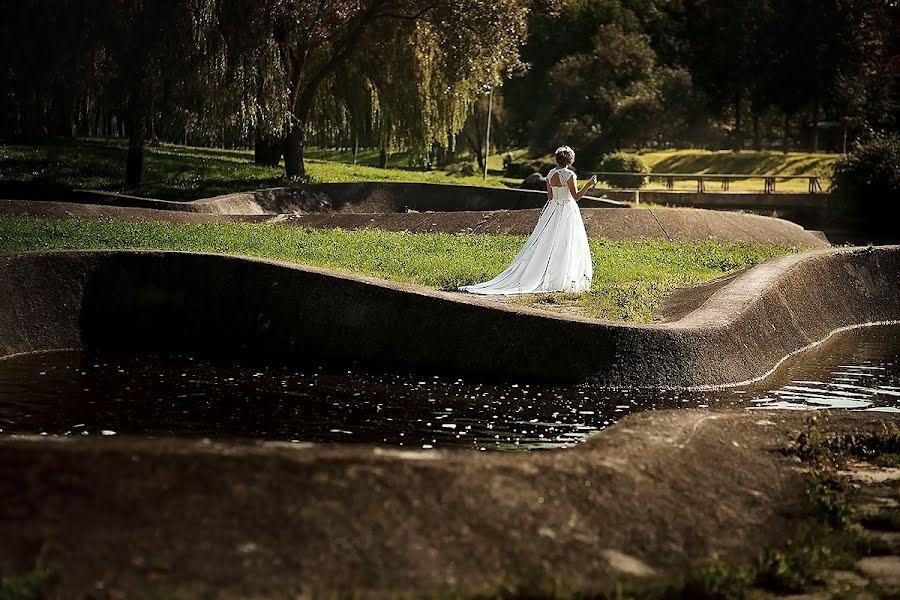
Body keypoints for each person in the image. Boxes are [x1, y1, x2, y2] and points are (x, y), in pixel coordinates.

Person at [460, 145, 596, 295]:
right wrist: (588, 185)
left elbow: (550, 197)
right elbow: (576, 197)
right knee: (566, 242)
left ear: (557, 159)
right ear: (570, 160)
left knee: (547, 241)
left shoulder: (550, 174)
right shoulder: (569, 175)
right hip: (568, 210)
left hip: (553, 209)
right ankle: (562, 276)